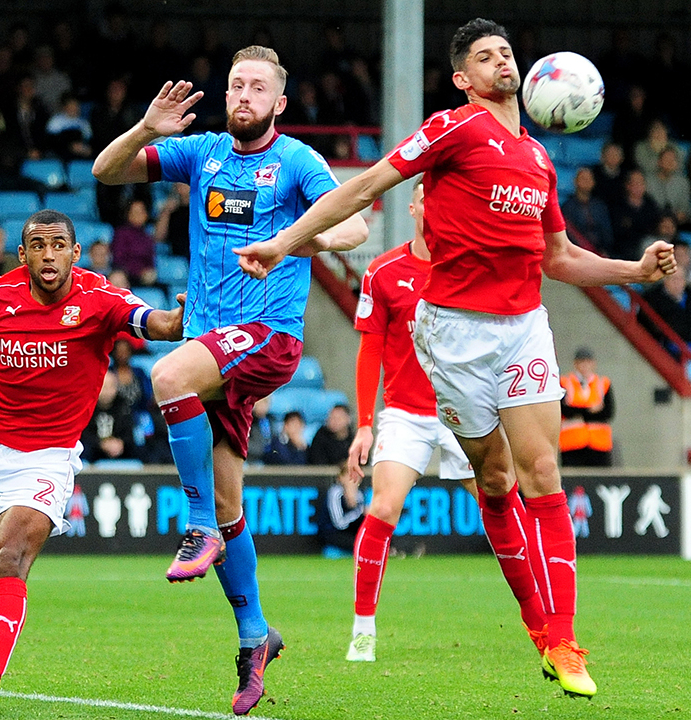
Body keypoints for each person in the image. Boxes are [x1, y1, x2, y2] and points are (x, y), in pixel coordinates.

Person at [232, 19, 676, 698]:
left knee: (543, 470)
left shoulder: (538, 158)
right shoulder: (452, 128)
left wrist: (635, 270)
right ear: (463, 78)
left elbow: (558, 258)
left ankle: (564, 643)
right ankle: (537, 627)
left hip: (524, 324)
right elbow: (368, 185)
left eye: (507, 52)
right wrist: (286, 241)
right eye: (485, 56)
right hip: (453, 333)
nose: (502, 60)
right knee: (494, 481)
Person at [91, 46, 367, 715]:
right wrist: (148, 130)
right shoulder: (203, 151)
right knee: (228, 501)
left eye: (258, 87)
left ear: (279, 101)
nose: (243, 94)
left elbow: (355, 225)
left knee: (165, 374)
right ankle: (254, 636)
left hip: (268, 333)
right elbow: (108, 171)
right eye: (236, 85)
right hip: (211, 347)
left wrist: (292, 239)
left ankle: (195, 529)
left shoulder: (297, 161)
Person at [0, 210, 186, 717]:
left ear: (75, 253)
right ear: (23, 254)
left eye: (59, 245)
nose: (49, 254)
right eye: (37, 245)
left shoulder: (100, 299)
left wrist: (182, 318)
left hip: (45, 459)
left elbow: (157, 324)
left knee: (9, 558)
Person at [344, 179, 480, 663]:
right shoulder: (383, 271)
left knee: (504, 503)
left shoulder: (467, 266)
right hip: (405, 412)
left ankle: (545, 624)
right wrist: (364, 423)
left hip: (464, 409)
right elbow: (370, 350)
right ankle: (363, 629)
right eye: (430, 199)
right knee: (383, 509)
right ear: (415, 206)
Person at [558, 347, 614, 468]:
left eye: (588, 362)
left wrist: (578, 412)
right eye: (581, 362)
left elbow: (607, 413)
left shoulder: (603, 383)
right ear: (575, 364)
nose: (585, 365)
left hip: (599, 444)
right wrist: (590, 410)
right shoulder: (565, 382)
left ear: (593, 363)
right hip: (572, 443)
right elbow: (565, 411)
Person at [316, 461, 365, 558]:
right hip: (332, 533)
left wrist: (355, 506)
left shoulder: (359, 494)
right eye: (349, 475)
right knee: (359, 545)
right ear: (341, 478)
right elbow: (339, 523)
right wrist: (358, 511)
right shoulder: (335, 493)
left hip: (349, 532)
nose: (353, 479)